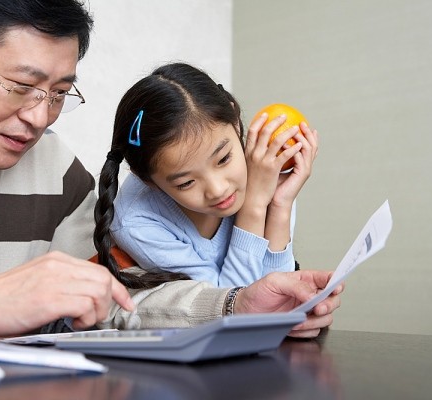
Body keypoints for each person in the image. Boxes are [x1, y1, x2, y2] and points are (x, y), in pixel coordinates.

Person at [0, 0, 342, 347]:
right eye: (21, 87)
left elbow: (119, 298)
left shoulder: (55, 169)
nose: (39, 117)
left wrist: (234, 305)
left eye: (58, 93)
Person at [94, 63, 318, 287]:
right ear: (148, 181)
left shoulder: (264, 168)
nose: (218, 190)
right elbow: (228, 302)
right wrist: (254, 207)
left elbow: (279, 293)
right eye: (186, 183)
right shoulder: (137, 223)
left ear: (235, 123)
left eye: (223, 159)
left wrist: (280, 205)